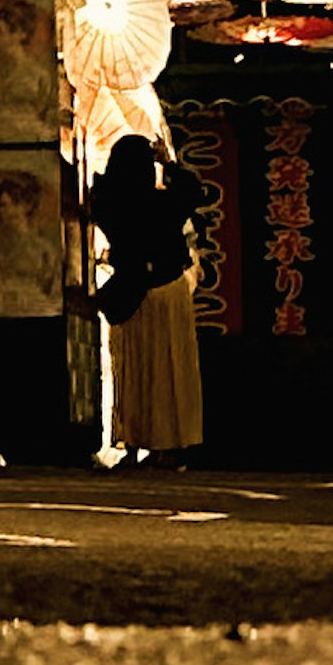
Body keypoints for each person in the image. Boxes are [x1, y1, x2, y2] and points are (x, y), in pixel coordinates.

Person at [87, 128, 205, 466]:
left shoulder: (109, 203)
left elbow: (98, 195)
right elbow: (194, 191)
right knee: (170, 371)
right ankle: (169, 445)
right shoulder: (163, 203)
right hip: (168, 292)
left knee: (133, 371)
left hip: (130, 293)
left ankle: (134, 442)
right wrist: (167, 162)